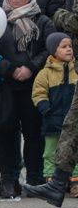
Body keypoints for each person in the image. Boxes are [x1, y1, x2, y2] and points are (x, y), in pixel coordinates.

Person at [0, 0, 54, 197]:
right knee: (5, 133)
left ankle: (35, 178)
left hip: (33, 85)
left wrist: (30, 68)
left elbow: (48, 49)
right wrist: (9, 69)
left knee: (33, 133)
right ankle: (8, 179)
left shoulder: (43, 21)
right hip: (5, 85)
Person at [33, 33, 76, 189]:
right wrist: (46, 109)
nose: (69, 50)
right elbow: (38, 92)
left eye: (70, 46)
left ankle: (75, 181)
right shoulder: (45, 73)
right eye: (63, 47)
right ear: (53, 50)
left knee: (74, 151)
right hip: (53, 120)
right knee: (50, 152)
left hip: (74, 124)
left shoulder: (75, 70)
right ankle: (51, 181)